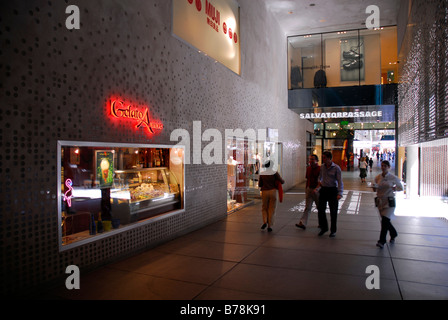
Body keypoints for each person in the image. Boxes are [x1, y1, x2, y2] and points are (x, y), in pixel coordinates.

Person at [373, 160, 403, 248]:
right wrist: (374, 188)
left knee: (385, 221)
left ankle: (382, 241)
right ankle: (393, 233)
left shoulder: (393, 177)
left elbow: (400, 187)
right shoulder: (378, 177)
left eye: (385, 166)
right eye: (382, 166)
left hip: (389, 201)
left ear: (388, 167)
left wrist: (394, 188)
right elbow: (375, 187)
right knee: (385, 221)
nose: (383, 167)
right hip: (380, 201)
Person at [314, 151, 343, 237]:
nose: (323, 159)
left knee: (333, 211)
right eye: (323, 158)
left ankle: (333, 230)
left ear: (330, 158)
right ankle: (324, 228)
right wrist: (319, 183)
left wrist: (340, 193)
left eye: (325, 158)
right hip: (324, 190)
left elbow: (340, 181)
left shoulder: (336, 168)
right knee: (321, 209)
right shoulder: (322, 167)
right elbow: (320, 176)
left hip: (332, 190)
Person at [258, 160, 285, 232]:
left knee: (264, 207)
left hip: (264, 192)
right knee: (271, 209)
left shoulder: (262, 173)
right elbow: (282, 181)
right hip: (273, 191)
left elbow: (260, 184)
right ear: (272, 166)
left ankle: (264, 221)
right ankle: (269, 225)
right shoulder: (274, 173)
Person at [296, 154, 320, 230]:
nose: (310, 161)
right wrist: (307, 188)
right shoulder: (309, 169)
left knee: (320, 207)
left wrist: (317, 189)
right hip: (309, 189)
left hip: (317, 190)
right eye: (310, 159)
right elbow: (308, 179)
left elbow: (321, 181)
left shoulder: (320, 169)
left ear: (316, 160)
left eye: (312, 159)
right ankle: (303, 223)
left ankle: (321, 223)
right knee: (307, 207)